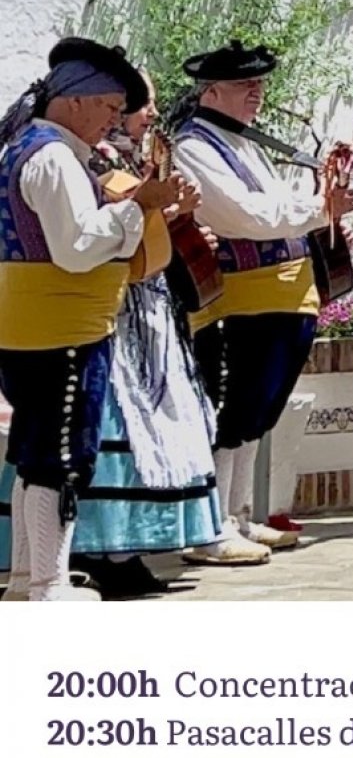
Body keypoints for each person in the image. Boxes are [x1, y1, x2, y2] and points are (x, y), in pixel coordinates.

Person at [0, 38, 189, 599]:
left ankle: (26, 581)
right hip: (63, 329)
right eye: (108, 107)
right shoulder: (54, 156)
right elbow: (78, 248)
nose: (114, 120)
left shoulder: (23, 146)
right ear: (75, 101)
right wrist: (140, 207)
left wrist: (141, 209)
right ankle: (48, 587)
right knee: (62, 455)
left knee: (37, 455)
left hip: (31, 325)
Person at [172, 41, 353, 560]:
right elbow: (245, 216)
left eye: (258, 84)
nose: (256, 93)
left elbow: (274, 205)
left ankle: (239, 515)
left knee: (260, 409)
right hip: (242, 297)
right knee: (236, 407)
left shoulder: (242, 143)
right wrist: (319, 207)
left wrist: (319, 205)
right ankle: (213, 525)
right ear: (210, 92)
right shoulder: (194, 148)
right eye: (242, 85)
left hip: (281, 292)